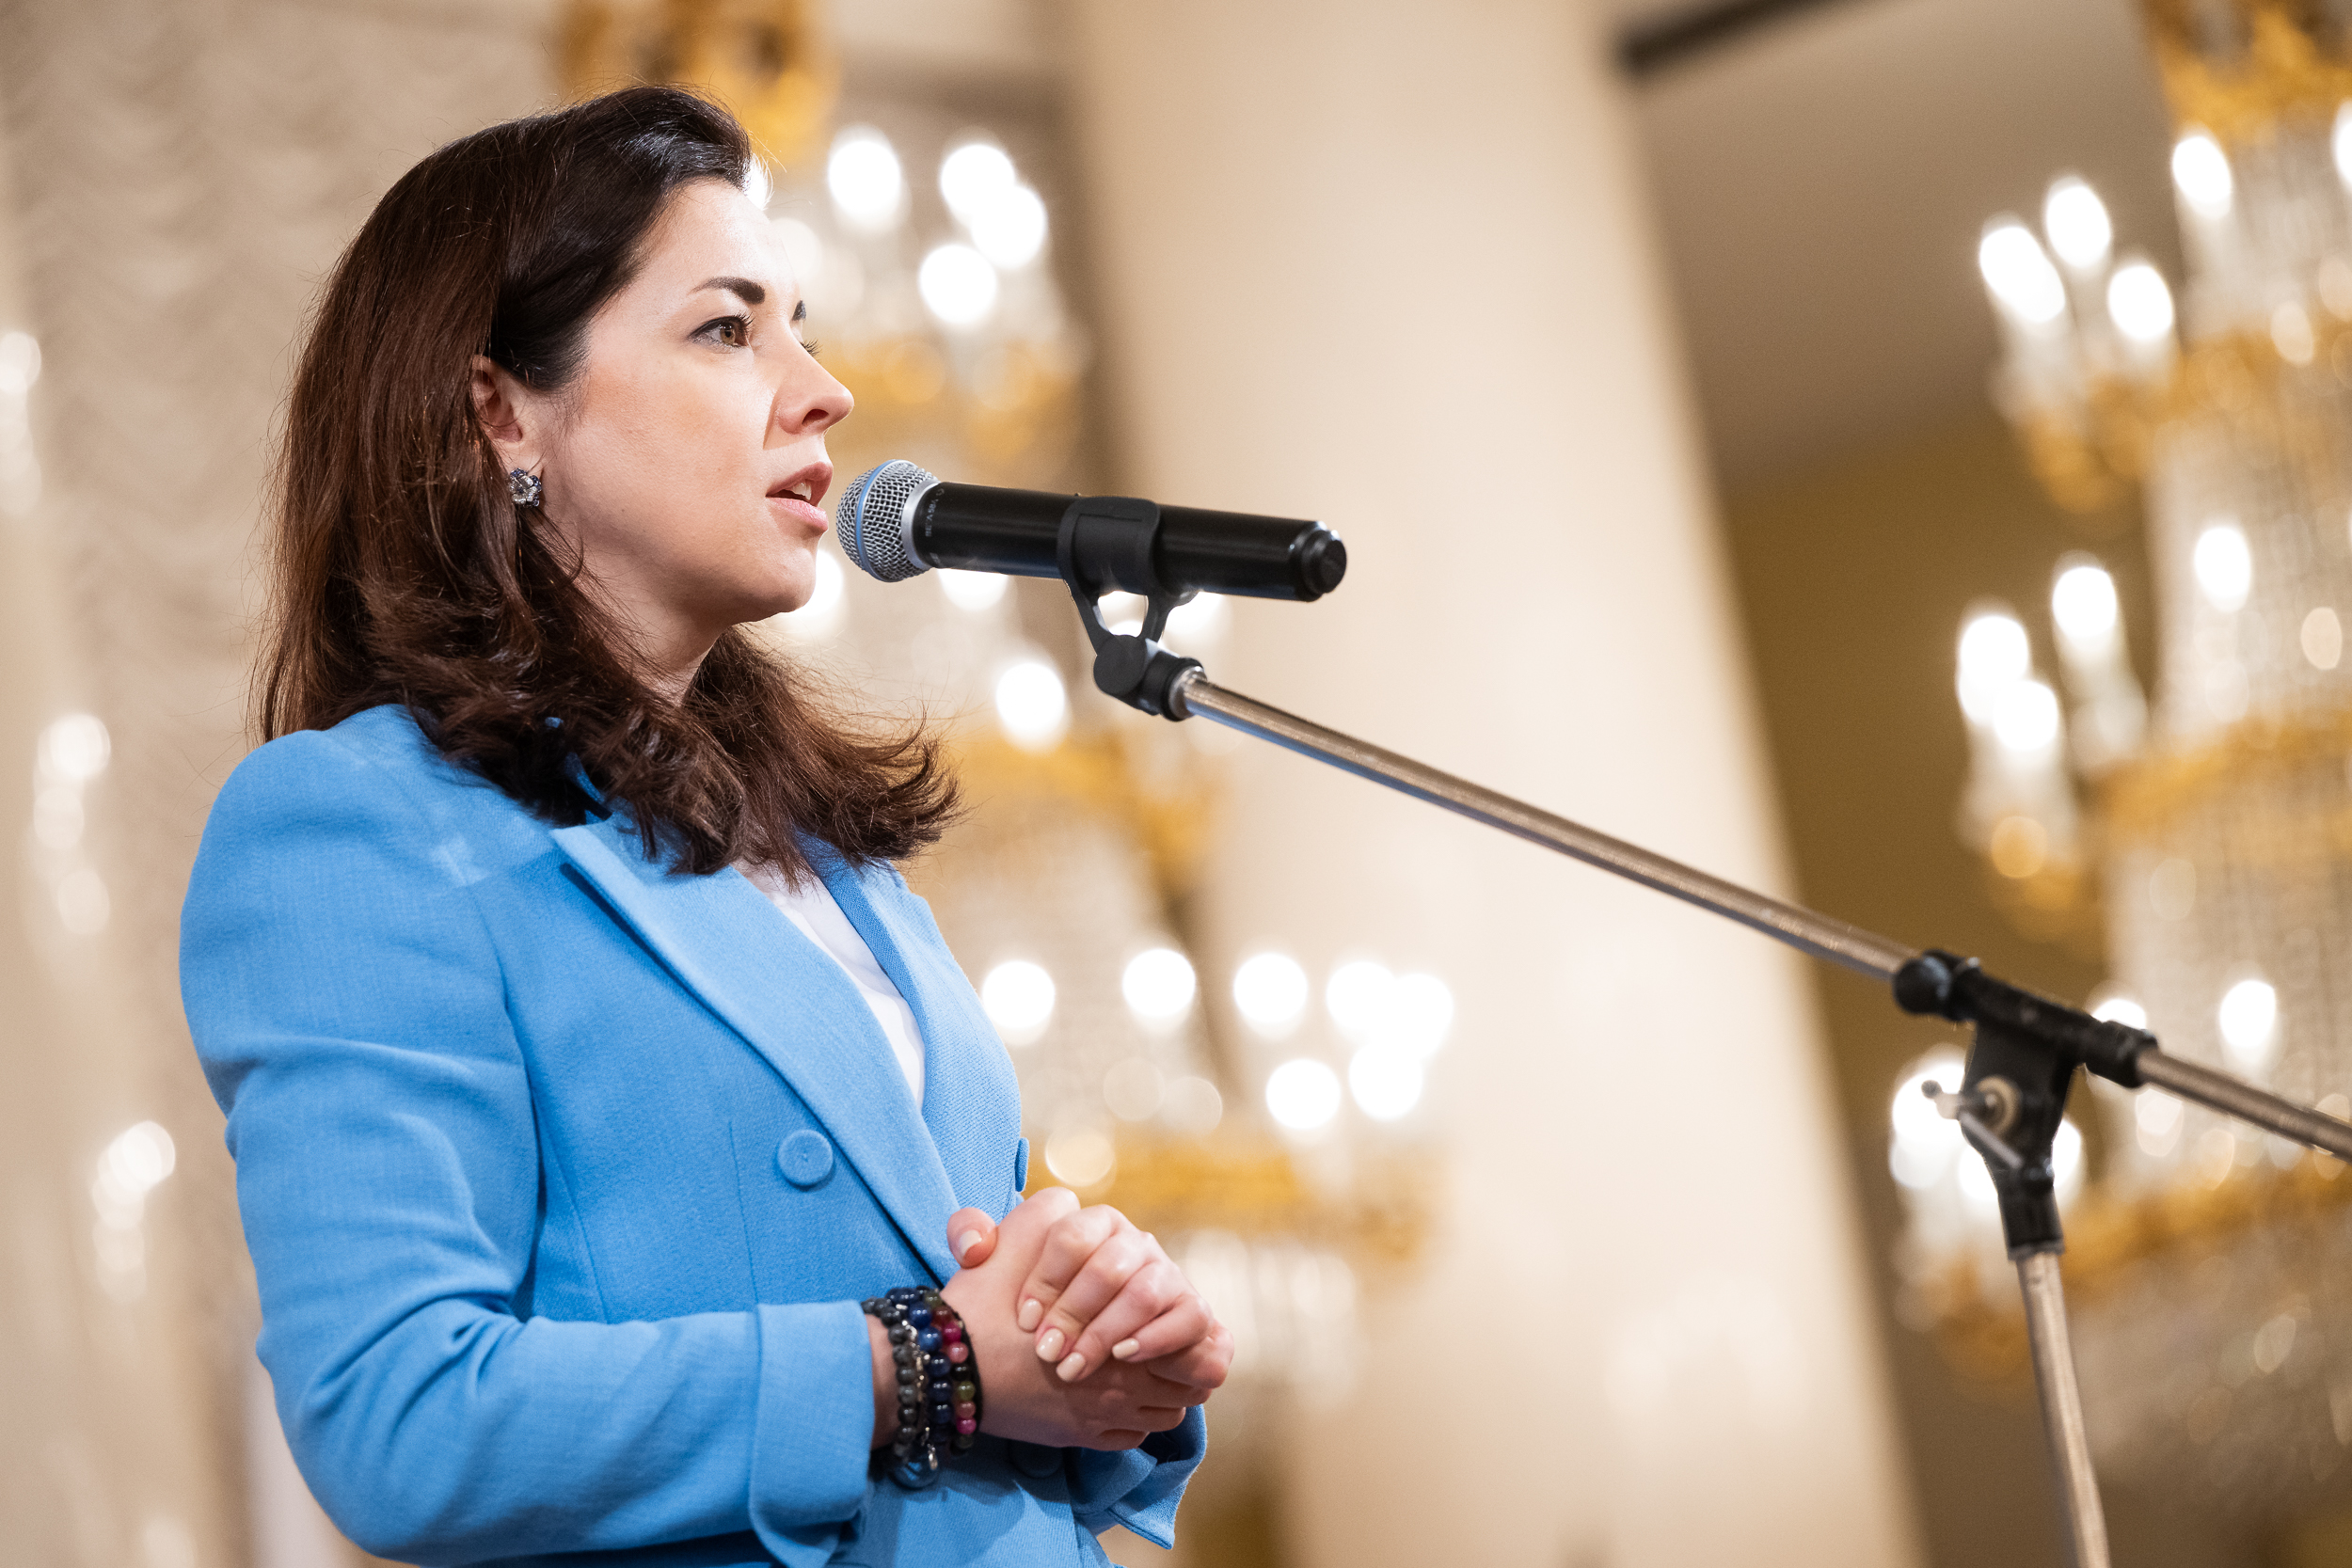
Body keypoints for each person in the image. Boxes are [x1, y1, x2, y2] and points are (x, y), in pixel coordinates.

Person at [179, 87, 1232, 1568]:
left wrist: (1092, 1323)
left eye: (802, 326)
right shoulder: (356, 827)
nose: (824, 391)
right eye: (729, 330)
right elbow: (399, 1420)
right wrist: (924, 1362)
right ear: (501, 413)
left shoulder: (827, 850)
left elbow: (968, 1305)